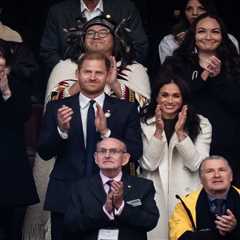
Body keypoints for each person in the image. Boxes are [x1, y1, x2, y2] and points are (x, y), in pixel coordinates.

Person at [38, 52, 142, 240]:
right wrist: (61, 131)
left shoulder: (126, 109)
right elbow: (44, 152)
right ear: (77, 74)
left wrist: (106, 134)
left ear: (108, 75)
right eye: (87, 72)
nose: (92, 77)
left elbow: (135, 153)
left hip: (110, 195)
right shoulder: (57, 107)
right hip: (65, 197)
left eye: (98, 72)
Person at [163, 13, 240, 186]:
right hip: (189, 137)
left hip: (228, 141)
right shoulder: (176, 64)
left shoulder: (235, 64)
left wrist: (219, 77)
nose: (208, 37)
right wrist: (203, 77)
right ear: (193, 35)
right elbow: (173, 97)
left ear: (223, 36)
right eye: (202, 31)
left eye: (215, 32)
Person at [139, 70, 212, 240]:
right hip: (155, 196)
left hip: (187, 195)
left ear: (183, 99)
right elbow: (149, 164)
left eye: (176, 96)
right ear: (156, 97)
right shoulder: (143, 122)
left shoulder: (202, 124)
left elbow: (197, 165)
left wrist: (181, 134)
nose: (170, 101)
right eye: (164, 95)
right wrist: (158, 132)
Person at [45, 14, 151, 108]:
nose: (96, 36)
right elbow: (51, 104)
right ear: (83, 40)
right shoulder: (66, 66)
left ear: (116, 39)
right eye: (90, 33)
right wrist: (81, 82)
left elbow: (144, 108)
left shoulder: (133, 68)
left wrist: (115, 84)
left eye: (103, 32)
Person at [64, 137, 159, 240]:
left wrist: (121, 206)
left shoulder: (143, 186)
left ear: (125, 159)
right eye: (102, 151)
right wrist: (104, 211)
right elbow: (71, 224)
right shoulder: (80, 187)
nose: (107, 155)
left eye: (114, 151)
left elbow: (151, 221)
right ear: (96, 158)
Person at [40, 0, 148, 74]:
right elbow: (48, 51)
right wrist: (77, 73)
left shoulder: (125, 8)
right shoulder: (58, 12)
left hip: (120, 76)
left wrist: (116, 72)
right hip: (70, 76)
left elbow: (139, 46)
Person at [0, 39, 39, 240]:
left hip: (9, 167)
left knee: (11, 229)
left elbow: (22, 115)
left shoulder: (17, 85)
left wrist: (6, 90)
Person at [169, 155, 240, 240]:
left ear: (231, 176)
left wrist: (235, 228)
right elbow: (181, 238)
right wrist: (219, 233)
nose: (217, 175)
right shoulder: (184, 206)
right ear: (201, 179)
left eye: (222, 170)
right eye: (210, 171)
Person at [158, 0, 239, 64]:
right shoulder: (170, 41)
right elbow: (169, 74)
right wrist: (184, 47)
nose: (195, 13)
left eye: (201, 8)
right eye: (189, 9)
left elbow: (233, 70)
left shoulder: (228, 38)